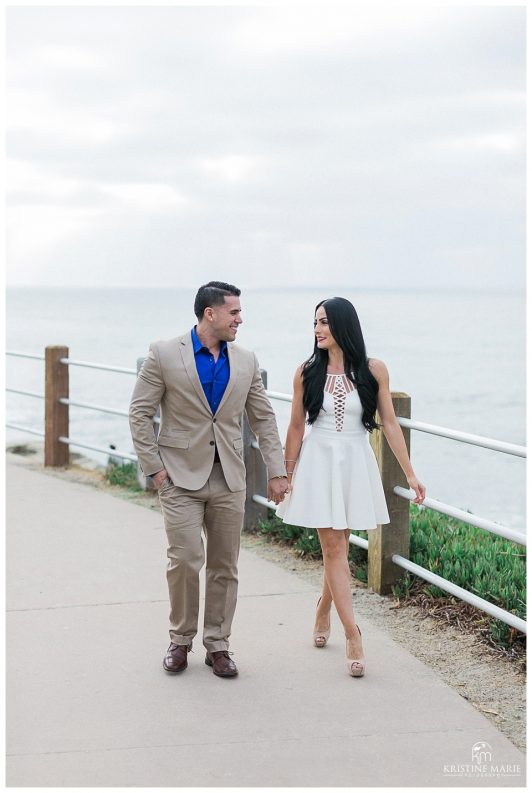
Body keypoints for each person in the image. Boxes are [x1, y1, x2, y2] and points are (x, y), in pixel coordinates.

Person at [129, 281, 289, 678]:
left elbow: (263, 418)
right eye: (233, 312)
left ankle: (218, 645)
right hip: (179, 477)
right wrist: (155, 468)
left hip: (230, 476)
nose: (240, 319)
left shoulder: (247, 360)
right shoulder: (165, 353)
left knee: (224, 564)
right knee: (184, 559)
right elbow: (139, 412)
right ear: (209, 314)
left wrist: (277, 470)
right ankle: (180, 639)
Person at [276, 297, 425, 677]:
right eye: (315, 323)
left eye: (324, 322)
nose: (317, 330)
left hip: (355, 460)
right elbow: (295, 426)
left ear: (343, 325)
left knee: (338, 544)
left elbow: (390, 423)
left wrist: (410, 473)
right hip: (318, 460)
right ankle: (353, 633)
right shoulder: (306, 371)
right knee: (334, 545)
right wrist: (286, 472)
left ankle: (324, 607)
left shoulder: (373, 370)